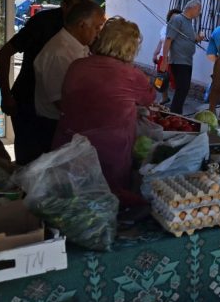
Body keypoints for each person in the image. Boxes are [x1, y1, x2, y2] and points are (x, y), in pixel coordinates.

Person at [52, 18, 155, 202]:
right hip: (108, 156)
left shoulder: (77, 65)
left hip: (69, 148)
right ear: (130, 48)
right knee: (105, 207)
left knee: (70, 206)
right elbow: (149, 99)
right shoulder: (131, 75)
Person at [0, 0, 91, 164]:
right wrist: (6, 95)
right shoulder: (43, 23)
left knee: (53, 164)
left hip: (58, 110)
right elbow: (3, 54)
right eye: (75, 9)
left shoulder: (85, 28)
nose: (80, 16)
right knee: (29, 163)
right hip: (28, 101)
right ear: (64, 6)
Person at [32, 1, 105, 153]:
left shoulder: (79, 46)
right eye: (97, 27)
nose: (99, 33)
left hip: (69, 124)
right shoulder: (59, 52)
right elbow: (62, 102)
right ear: (82, 25)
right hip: (54, 126)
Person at [163, 0, 204, 114]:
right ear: (193, 8)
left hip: (186, 61)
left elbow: (189, 39)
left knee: (183, 90)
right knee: (182, 89)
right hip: (179, 60)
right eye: (199, 10)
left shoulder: (188, 22)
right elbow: (169, 39)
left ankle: (176, 113)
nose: (199, 13)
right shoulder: (177, 19)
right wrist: (165, 59)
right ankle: (175, 114)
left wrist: (198, 38)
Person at [151, 8, 181, 105]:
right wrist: (155, 53)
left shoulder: (181, 31)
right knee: (161, 79)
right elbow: (161, 41)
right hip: (163, 57)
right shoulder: (165, 27)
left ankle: (177, 101)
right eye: (173, 18)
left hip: (174, 59)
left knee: (175, 81)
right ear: (169, 18)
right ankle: (164, 98)